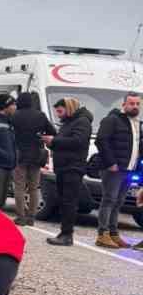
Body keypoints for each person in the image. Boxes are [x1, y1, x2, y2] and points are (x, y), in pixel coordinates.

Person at [93, 91, 142, 249]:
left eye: (137, 104)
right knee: (109, 200)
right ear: (124, 105)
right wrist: (111, 162)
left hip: (128, 169)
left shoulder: (136, 122)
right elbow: (101, 140)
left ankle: (113, 234)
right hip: (114, 169)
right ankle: (102, 234)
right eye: (131, 103)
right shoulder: (112, 120)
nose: (135, 106)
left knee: (118, 202)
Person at [46, 97, 93, 247]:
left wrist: (54, 141)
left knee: (69, 201)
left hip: (73, 167)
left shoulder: (82, 122)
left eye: (60, 111)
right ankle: (63, 232)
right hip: (63, 167)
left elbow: (78, 142)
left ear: (69, 108)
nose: (58, 115)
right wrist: (51, 143)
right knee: (64, 200)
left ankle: (67, 234)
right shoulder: (68, 123)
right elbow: (64, 143)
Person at [10, 90, 56, 227]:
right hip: (36, 155)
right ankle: (31, 217)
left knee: (19, 186)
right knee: (34, 188)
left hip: (19, 155)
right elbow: (52, 132)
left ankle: (20, 217)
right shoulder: (40, 115)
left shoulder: (15, 116)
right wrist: (40, 135)